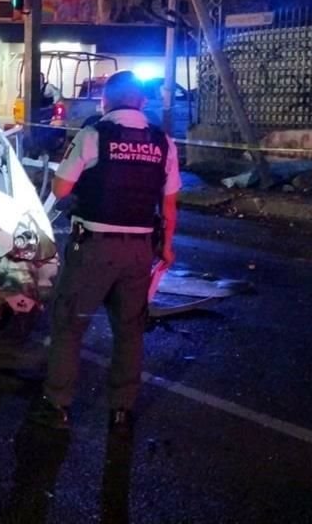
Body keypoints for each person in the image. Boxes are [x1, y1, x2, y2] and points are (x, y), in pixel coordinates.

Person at [29, 70, 180, 438]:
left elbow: (62, 189)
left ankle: (57, 405)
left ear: (105, 101)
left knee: (69, 325)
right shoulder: (163, 142)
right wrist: (168, 247)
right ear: (143, 102)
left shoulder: (94, 134)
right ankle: (122, 412)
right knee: (130, 331)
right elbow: (170, 204)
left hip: (94, 247)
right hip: (140, 251)